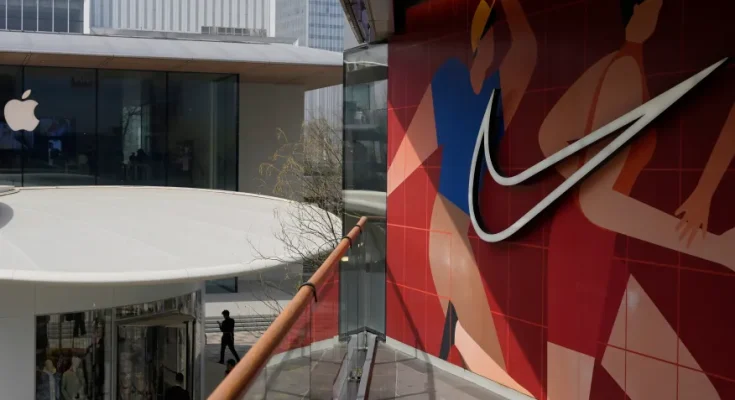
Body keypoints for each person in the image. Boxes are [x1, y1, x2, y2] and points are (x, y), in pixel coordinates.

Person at [539, 0, 735, 397]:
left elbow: (548, 138)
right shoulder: (623, 72)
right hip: (586, 247)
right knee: (570, 386)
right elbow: (599, 204)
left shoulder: (615, 65)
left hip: (589, 244)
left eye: (657, 6)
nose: (654, 13)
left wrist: (580, 176)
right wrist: (712, 247)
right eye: (647, 5)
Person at [387, 0, 537, 395]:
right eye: (492, 35)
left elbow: (527, 48)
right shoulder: (450, 78)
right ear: (479, 40)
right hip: (447, 226)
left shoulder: (498, 88)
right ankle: (457, 341)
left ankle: (453, 343)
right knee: (493, 360)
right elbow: (407, 157)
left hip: (462, 228)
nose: (497, 44)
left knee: (482, 356)